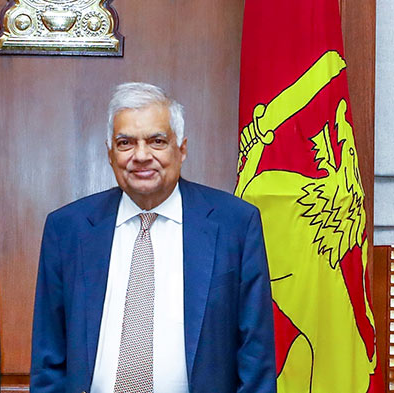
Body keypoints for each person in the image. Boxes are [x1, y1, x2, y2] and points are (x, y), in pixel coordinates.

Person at [30, 82, 276, 393]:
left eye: (157, 141)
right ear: (109, 153)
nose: (141, 155)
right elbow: (48, 358)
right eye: (125, 143)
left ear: (182, 149)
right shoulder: (67, 229)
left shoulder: (235, 225)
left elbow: (257, 358)